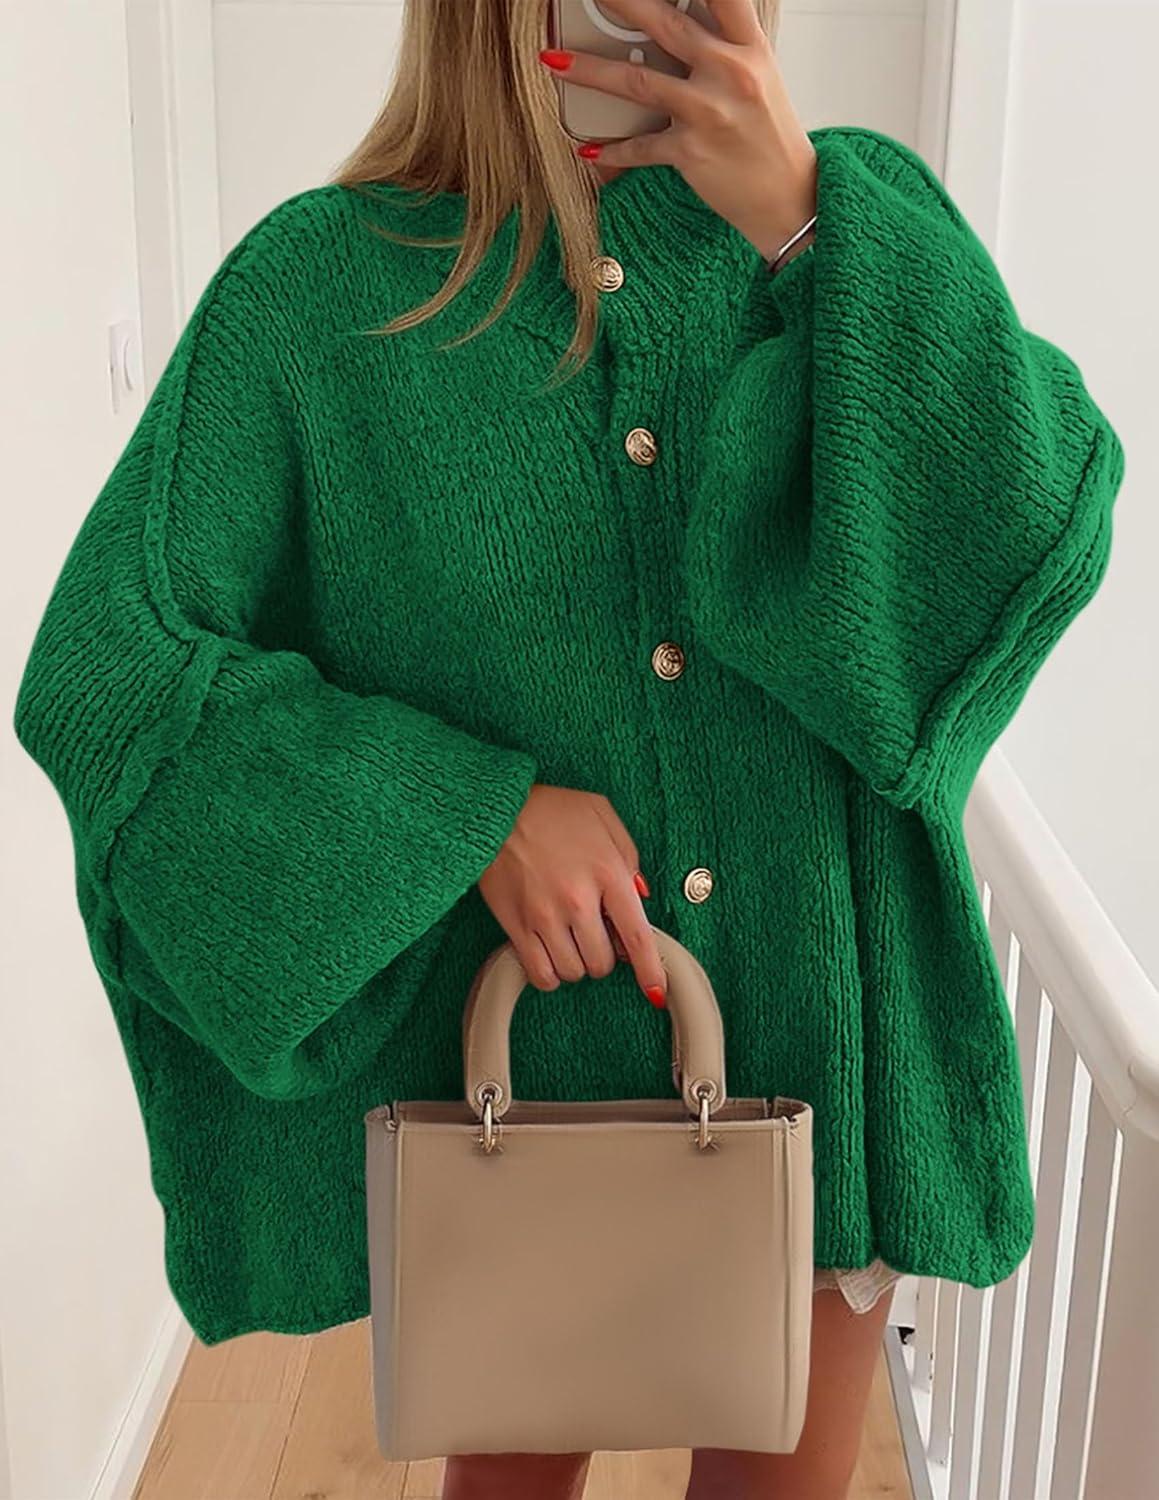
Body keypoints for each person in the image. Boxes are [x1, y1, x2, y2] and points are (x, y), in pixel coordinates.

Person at [12, 2, 1125, 1498]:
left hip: (823, 1066)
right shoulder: (321, 295)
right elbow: (112, 678)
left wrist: (803, 226)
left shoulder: (850, 236)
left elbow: (1029, 538)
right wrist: (463, 816)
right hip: (517, 1107)